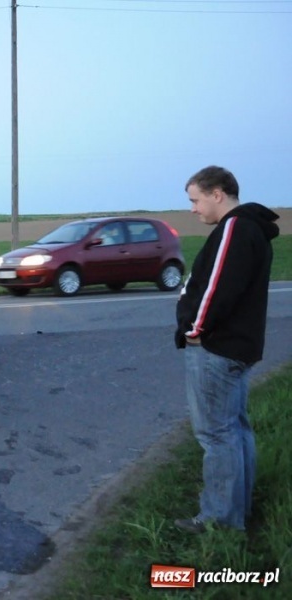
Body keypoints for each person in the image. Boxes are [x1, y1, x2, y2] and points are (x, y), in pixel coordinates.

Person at [173, 166, 279, 533]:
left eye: (195, 200)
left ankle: (219, 520)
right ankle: (236, 512)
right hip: (237, 346)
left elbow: (216, 289)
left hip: (216, 349)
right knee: (235, 430)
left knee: (216, 434)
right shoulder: (250, 229)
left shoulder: (234, 228)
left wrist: (193, 331)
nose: (192, 209)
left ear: (217, 194)